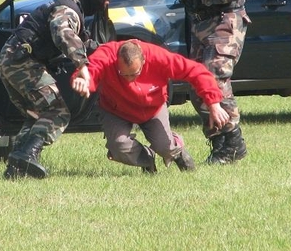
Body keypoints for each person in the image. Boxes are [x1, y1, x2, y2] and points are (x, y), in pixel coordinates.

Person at [158, 0, 250, 164]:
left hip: (226, 21)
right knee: (198, 85)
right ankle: (219, 143)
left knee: (215, 79)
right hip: (198, 22)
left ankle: (233, 144)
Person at [0, 0, 113, 179]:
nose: (104, 8)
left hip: (9, 61)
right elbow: (62, 33)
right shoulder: (68, 11)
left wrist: (107, 50)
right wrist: (82, 65)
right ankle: (27, 154)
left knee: (36, 113)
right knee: (57, 112)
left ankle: (16, 168)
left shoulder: (72, 9)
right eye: (104, 3)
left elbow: (81, 40)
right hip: (21, 64)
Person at [71, 40, 229, 173]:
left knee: (165, 147)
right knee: (119, 147)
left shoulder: (158, 57)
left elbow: (196, 72)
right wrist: (84, 81)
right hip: (115, 109)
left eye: (134, 74)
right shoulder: (107, 55)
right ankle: (147, 160)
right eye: (123, 74)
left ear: (144, 61)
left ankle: (177, 151)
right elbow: (90, 70)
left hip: (152, 107)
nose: (129, 80)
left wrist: (213, 103)